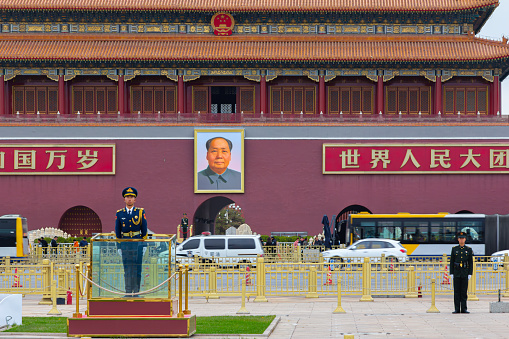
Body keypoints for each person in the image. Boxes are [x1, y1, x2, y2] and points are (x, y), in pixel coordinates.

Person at [115, 187, 148, 297]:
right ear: (124, 199)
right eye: (127, 197)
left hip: (137, 243)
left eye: (132, 197)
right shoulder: (120, 213)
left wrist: (144, 245)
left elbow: (144, 229)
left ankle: (137, 291)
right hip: (125, 243)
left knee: (137, 268)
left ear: (135, 199)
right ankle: (128, 291)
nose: (129, 199)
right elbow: (117, 232)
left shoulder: (140, 212)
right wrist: (119, 246)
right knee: (127, 269)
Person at [450, 231, 473, 314]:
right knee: (456, 292)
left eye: (463, 238)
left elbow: (470, 263)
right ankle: (456, 308)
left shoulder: (468, 250)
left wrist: (470, 273)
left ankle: (464, 308)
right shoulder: (454, 249)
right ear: (458, 239)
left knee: (464, 292)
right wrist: (451, 273)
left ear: (465, 239)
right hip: (456, 273)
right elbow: (452, 261)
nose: (461, 240)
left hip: (464, 272)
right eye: (460, 238)